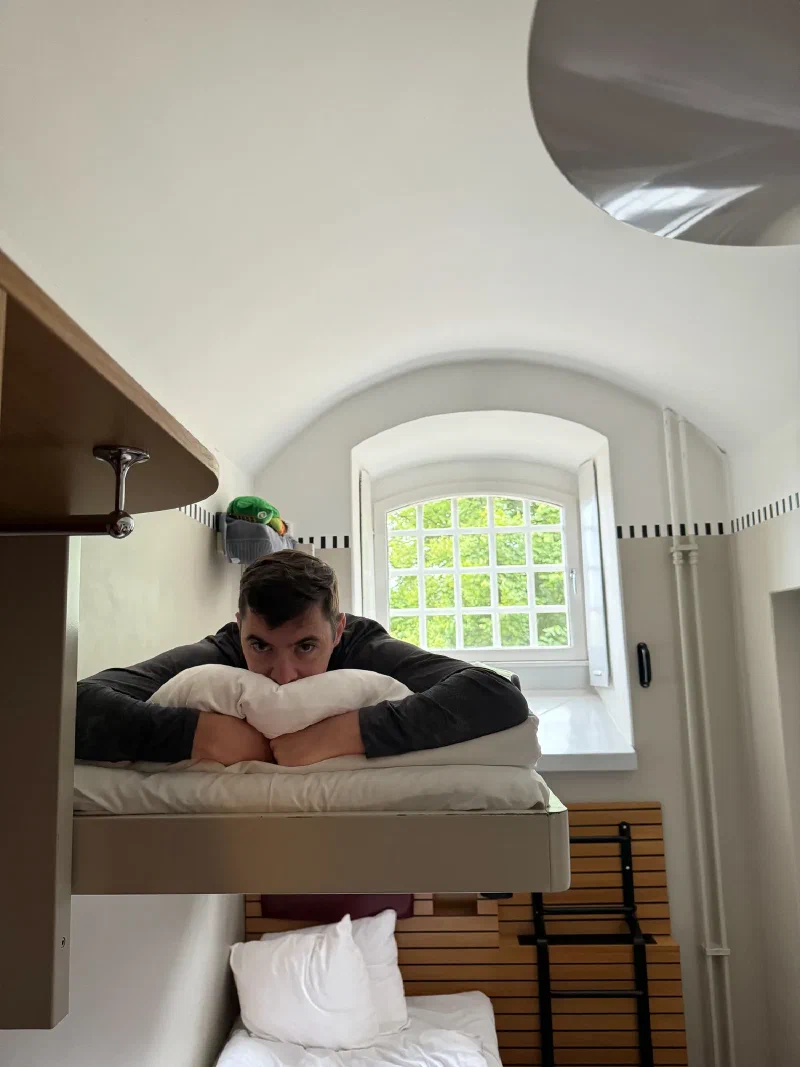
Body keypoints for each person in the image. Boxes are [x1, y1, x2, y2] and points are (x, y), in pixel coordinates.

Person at [76, 550, 529, 767]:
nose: (283, 675)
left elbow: (496, 693)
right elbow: (77, 706)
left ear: (337, 630)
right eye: (261, 646)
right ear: (240, 626)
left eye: (306, 647)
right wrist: (202, 734)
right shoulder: (225, 649)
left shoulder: (365, 648)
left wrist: (338, 735)